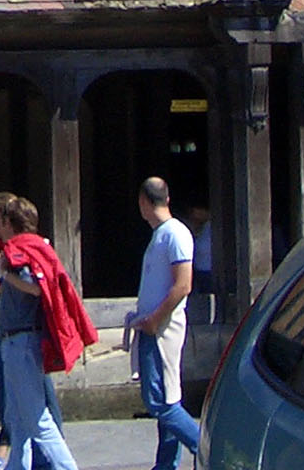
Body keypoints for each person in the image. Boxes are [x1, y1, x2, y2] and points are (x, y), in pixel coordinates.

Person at [0, 193, 86, 470]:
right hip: (15, 341)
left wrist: (6, 272)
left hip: (22, 341)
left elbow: (34, 285)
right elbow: (3, 285)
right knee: (18, 421)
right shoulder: (17, 251)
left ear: (8, 221)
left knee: (37, 421)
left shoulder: (18, 251)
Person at [125, 178, 199, 470]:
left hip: (162, 329)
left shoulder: (175, 234)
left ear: (144, 201)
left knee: (158, 400)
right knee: (169, 396)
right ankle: (166, 464)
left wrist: (155, 319)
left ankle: (205, 447)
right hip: (152, 326)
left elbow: (183, 285)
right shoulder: (162, 235)